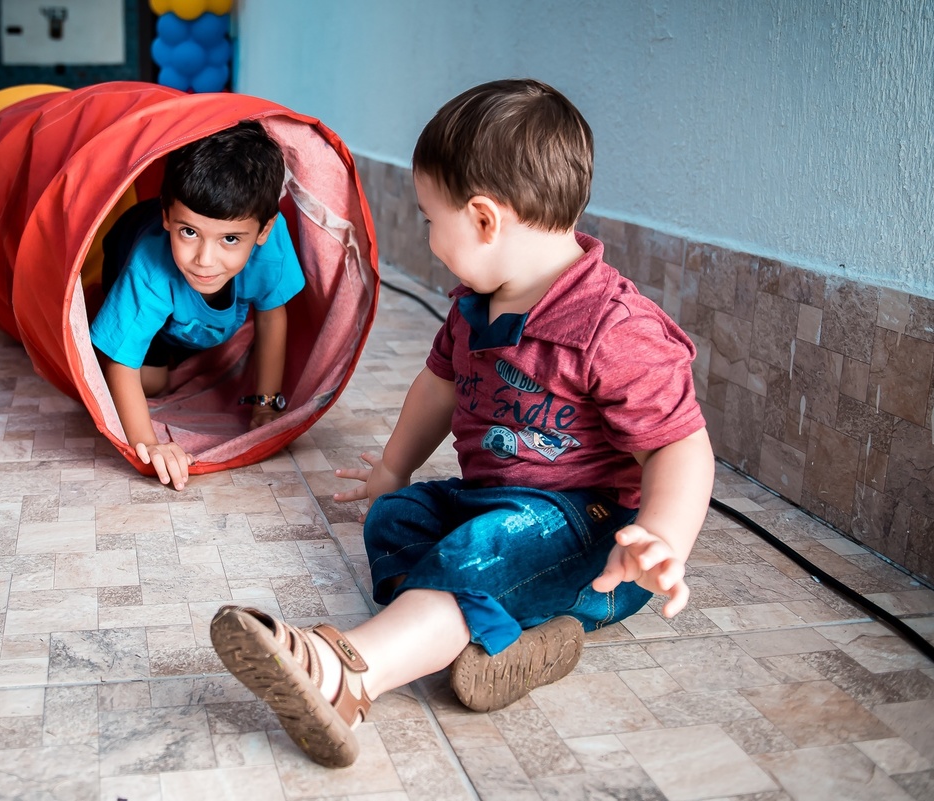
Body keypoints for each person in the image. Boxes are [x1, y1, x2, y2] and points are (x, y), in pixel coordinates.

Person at [209, 79, 715, 768]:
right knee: (396, 518)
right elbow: (437, 386)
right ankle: (509, 643)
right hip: (496, 504)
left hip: (594, 540)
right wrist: (394, 468)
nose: (426, 233)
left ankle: (348, 672)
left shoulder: (612, 327)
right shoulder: (476, 303)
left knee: (487, 545)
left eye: (428, 216)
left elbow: (680, 445)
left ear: (482, 220)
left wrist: (661, 538)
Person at [90, 121, 304, 491]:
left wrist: (264, 402)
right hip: (125, 239)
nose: (205, 259)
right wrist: (151, 446)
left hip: (183, 286)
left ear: (264, 231)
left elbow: (272, 317)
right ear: (168, 217)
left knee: (187, 326)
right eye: (189, 232)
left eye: (230, 239)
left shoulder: (271, 246)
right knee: (151, 382)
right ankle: (113, 316)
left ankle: (173, 326)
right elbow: (121, 365)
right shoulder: (149, 266)